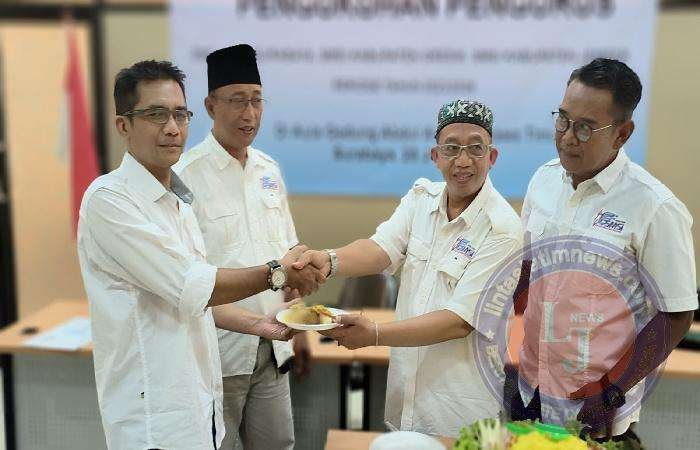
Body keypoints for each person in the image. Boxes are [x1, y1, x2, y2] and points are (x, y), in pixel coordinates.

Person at [77, 60, 323, 450]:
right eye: (156, 115)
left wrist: (262, 323)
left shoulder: (178, 202)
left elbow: (197, 300)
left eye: (179, 114)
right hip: (156, 413)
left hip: (202, 392)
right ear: (123, 125)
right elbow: (194, 287)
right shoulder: (110, 200)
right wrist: (278, 273)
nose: (172, 128)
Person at [295, 99, 523, 437]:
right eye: (451, 148)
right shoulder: (421, 199)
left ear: (492, 157)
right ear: (435, 156)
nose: (463, 161)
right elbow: (380, 249)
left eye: (476, 149)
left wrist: (375, 334)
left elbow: (458, 321)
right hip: (405, 401)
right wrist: (329, 260)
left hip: (461, 413)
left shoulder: (503, 229)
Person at [508, 58, 697, 447]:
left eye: (585, 127)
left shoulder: (655, 207)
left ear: (622, 134)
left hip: (594, 407)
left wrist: (613, 390)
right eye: (562, 120)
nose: (567, 137)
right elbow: (526, 270)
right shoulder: (544, 181)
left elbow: (676, 315)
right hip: (530, 390)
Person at [174, 44, 307, 450]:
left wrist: (301, 324)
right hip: (219, 354)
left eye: (256, 100)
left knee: (278, 445)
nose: (249, 114)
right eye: (236, 101)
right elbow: (184, 281)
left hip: (275, 346)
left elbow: (290, 253)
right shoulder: (185, 176)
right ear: (210, 106)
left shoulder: (268, 170)